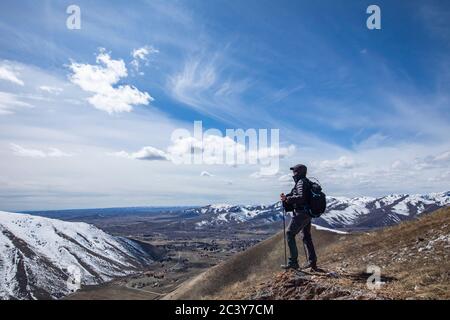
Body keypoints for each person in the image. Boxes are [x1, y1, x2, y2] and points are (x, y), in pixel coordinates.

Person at [280, 164, 318, 270]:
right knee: (306, 236)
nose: (293, 173)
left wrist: (287, 199)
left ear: (298, 172)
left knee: (289, 233)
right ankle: (312, 262)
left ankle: (293, 262)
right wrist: (287, 197)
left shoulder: (301, 182)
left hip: (302, 213)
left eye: (294, 171)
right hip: (307, 213)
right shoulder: (305, 182)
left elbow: (301, 197)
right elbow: (298, 195)